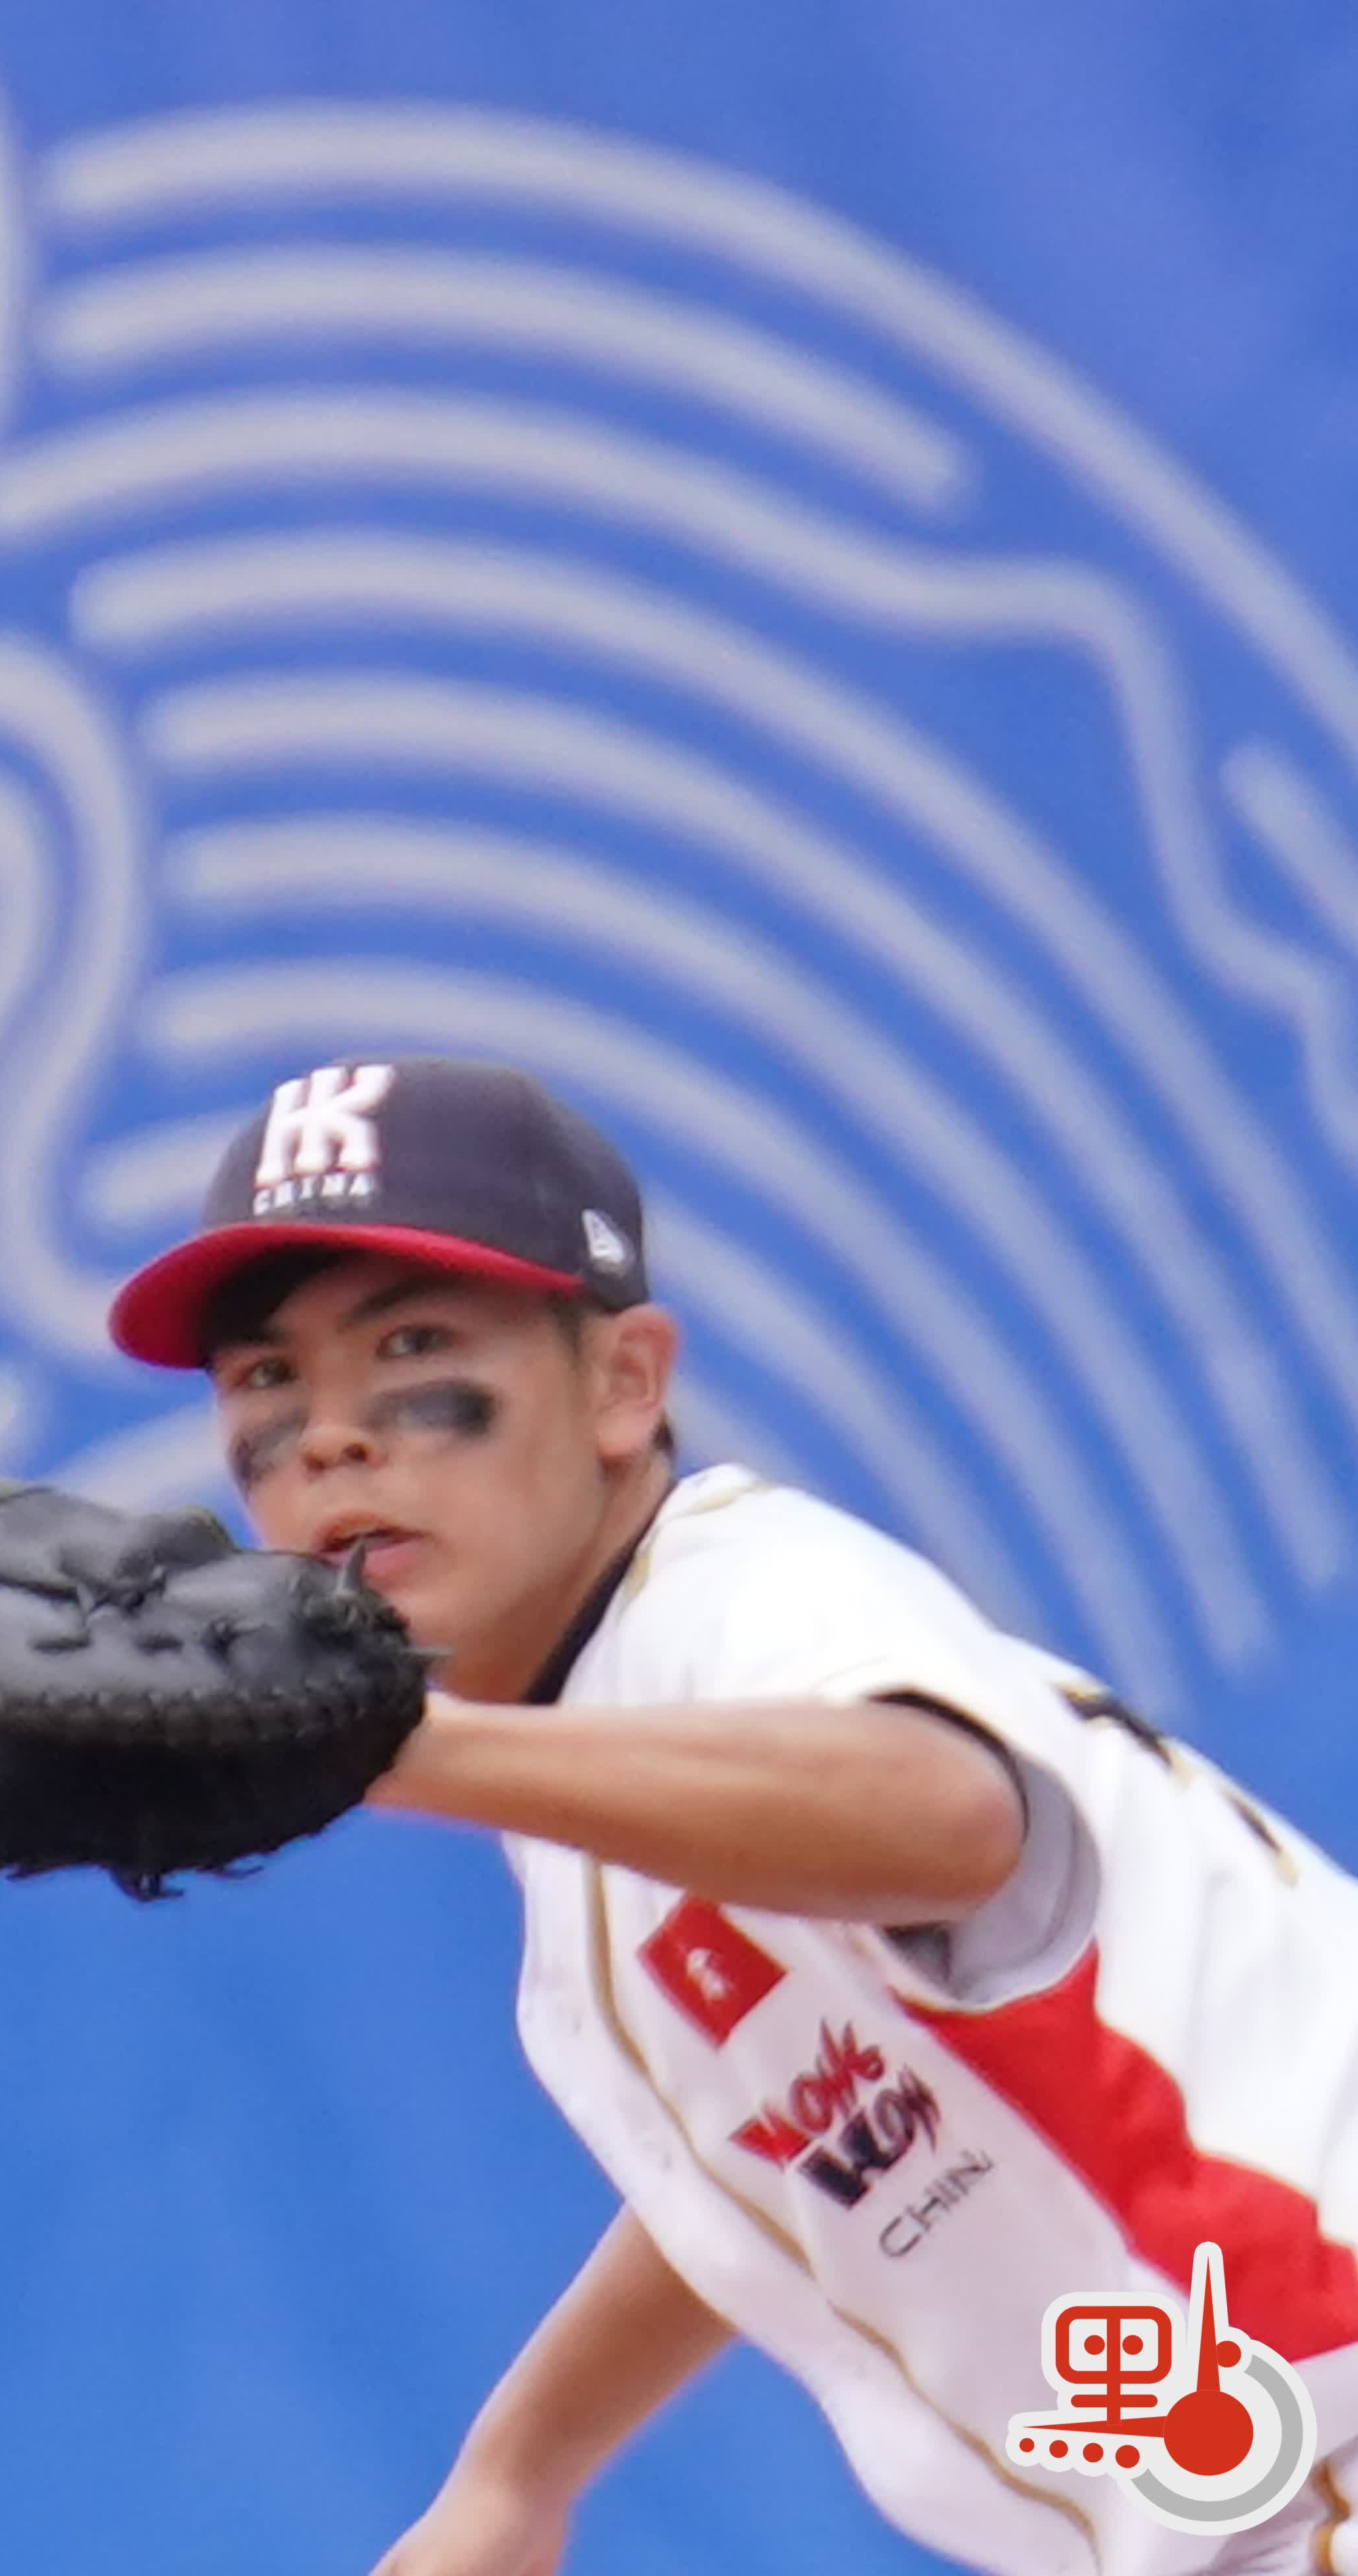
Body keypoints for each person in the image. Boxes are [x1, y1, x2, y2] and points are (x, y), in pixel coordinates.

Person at [106, 1055, 1358, 2576]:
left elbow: (949, 1813)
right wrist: (523, 2467)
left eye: (412, 1344)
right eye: (265, 1379)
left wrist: (399, 1752)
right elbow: (787, 2135)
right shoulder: (620, 1759)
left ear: (624, 1384)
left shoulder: (740, 1599)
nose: (330, 1434)